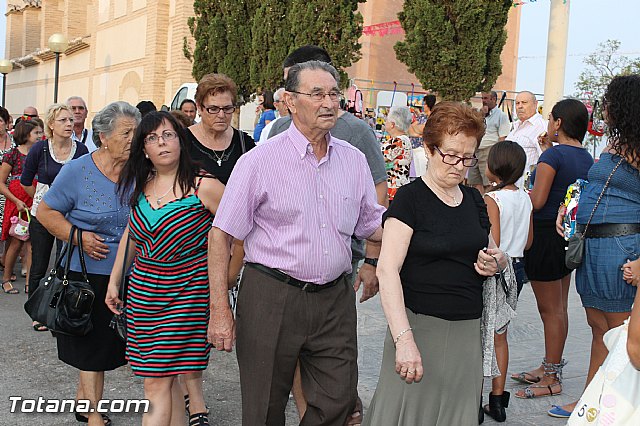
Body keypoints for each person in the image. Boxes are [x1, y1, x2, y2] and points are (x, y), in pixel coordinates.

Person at [209, 60, 385, 426]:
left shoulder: (353, 161)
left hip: (334, 300)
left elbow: (374, 224)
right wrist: (220, 310)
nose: (329, 102)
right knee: (264, 409)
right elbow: (222, 234)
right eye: (317, 93)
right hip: (271, 297)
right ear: (290, 101)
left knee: (339, 400)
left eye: (334, 93)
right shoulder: (259, 161)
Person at [363, 101, 509, 426]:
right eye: (451, 155)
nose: (459, 166)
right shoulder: (409, 199)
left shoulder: (474, 200)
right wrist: (404, 341)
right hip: (417, 330)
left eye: (467, 157)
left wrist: (496, 261)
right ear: (429, 148)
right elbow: (387, 270)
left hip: (467, 335)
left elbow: (494, 251)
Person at [267, 46, 388, 423]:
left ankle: (334, 410)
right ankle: (309, 412)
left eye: (328, 92)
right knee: (297, 353)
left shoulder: (357, 132)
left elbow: (378, 194)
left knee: (331, 353)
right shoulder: (277, 131)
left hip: (340, 263)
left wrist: (370, 260)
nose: (287, 92)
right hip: (285, 273)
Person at [106, 111, 225, 426]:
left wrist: (224, 282)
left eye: (168, 134)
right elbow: (132, 235)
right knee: (163, 379)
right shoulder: (142, 186)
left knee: (155, 383)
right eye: (152, 138)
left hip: (188, 295)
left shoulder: (206, 186)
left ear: (181, 141)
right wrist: (115, 281)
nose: (161, 143)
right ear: (144, 149)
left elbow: (238, 236)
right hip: (144, 296)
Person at [36, 101, 140, 426]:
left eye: (136, 133)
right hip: (83, 277)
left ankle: (84, 403)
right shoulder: (77, 171)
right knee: (92, 350)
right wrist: (77, 236)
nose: (133, 139)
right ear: (103, 136)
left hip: (124, 274)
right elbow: (45, 213)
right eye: (126, 133)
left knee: (104, 349)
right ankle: (94, 416)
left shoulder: (139, 171)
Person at [549, 75, 640, 419]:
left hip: (624, 249)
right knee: (599, 329)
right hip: (594, 248)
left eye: (610, 103)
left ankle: (621, 408)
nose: (605, 109)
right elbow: (595, 183)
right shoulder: (615, 147)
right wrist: (570, 205)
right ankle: (592, 399)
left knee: (622, 334)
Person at [512, 99, 594, 401]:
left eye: (551, 119)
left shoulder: (553, 157)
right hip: (567, 237)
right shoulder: (585, 158)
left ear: (558, 123)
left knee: (549, 310)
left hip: (545, 235)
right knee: (558, 307)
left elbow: (537, 201)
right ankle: (550, 366)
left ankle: (551, 376)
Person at [481, 140, 533, 422]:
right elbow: (529, 240)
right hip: (518, 268)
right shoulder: (525, 197)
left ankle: (473, 400)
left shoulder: (493, 199)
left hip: (496, 268)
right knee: (501, 334)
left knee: (483, 333)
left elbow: (494, 242)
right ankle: (498, 400)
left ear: (495, 167)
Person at [21, 104, 89, 298]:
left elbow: (84, 182)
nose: (69, 123)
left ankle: (57, 309)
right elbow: (26, 181)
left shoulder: (81, 150)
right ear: (51, 124)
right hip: (42, 216)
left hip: (69, 216)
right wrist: (45, 199)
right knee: (39, 265)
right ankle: (35, 309)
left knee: (64, 264)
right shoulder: (39, 149)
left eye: (70, 120)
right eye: (63, 120)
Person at [186, 73, 255, 185]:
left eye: (227, 108)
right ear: (199, 107)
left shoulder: (244, 143)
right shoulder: (182, 141)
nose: (221, 115)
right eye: (213, 109)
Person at [0, 119, 42, 296]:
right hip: (18, 202)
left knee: (32, 244)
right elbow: (1, 183)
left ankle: (29, 282)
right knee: (16, 242)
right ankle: (6, 279)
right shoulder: (12, 155)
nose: (41, 136)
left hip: (35, 200)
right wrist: (16, 200)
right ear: (26, 134)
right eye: (37, 133)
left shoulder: (41, 153)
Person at [468, 91, 511, 195]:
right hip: (475, 151)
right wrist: (481, 115)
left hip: (488, 151)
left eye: (486, 98)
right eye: (482, 98)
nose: (484, 101)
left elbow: (502, 137)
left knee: (488, 182)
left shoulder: (501, 116)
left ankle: (488, 205)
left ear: (494, 99)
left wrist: (496, 156)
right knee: (475, 181)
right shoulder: (480, 113)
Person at [506, 91, 547, 188]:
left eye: (524, 103)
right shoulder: (515, 127)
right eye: (517, 103)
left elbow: (546, 161)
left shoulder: (541, 127)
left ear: (535, 104)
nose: (520, 106)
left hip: (525, 187)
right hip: (508, 184)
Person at [382, 106, 413, 202]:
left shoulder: (399, 141)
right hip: (396, 187)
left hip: (394, 188)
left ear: (392, 124)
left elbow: (380, 158)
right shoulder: (402, 139)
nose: (384, 122)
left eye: (386, 120)